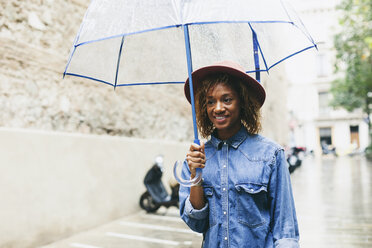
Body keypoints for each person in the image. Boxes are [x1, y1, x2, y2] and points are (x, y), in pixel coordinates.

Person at [179, 61, 299, 247]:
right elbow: (197, 223)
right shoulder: (196, 158)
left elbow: (285, 228)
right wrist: (196, 177)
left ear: (243, 102)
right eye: (210, 101)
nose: (217, 108)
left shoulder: (271, 155)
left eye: (227, 99)